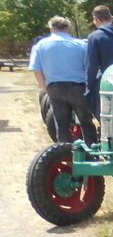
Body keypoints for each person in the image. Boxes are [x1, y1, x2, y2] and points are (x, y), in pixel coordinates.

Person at [30, 16, 98, 145]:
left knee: (61, 125)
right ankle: (91, 151)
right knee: (86, 123)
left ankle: (64, 152)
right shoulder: (80, 45)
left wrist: (45, 88)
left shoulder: (41, 45)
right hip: (78, 87)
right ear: (68, 29)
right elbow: (89, 68)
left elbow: (36, 70)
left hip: (54, 87)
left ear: (51, 29)